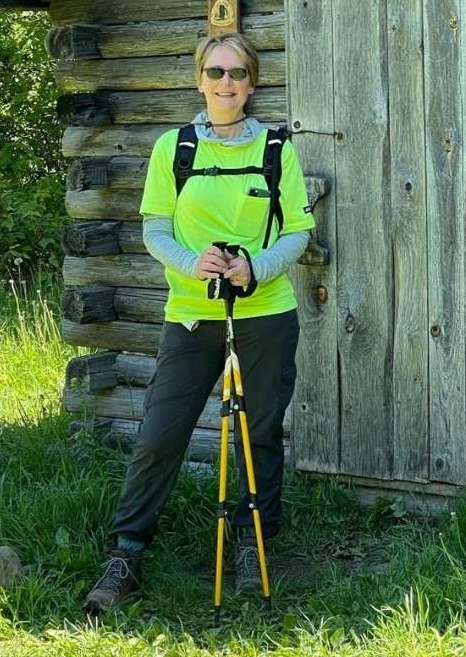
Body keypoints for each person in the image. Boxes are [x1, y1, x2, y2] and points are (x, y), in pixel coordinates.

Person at [83, 32, 315, 614]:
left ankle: (251, 544)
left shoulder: (276, 149)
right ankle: (127, 554)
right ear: (199, 80)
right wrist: (194, 263)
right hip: (190, 315)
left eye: (238, 74)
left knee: (257, 434)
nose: (226, 83)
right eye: (216, 73)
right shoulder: (175, 148)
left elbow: (299, 231)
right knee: (162, 432)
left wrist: (254, 267)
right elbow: (154, 228)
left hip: (264, 312)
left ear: (252, 83)